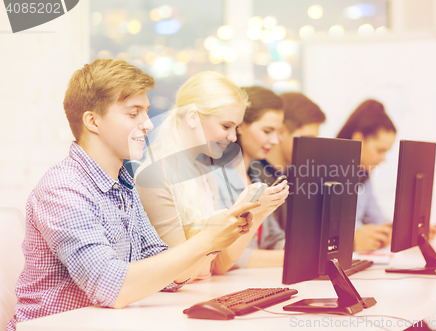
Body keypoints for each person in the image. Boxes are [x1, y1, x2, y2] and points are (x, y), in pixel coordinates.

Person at [7, 59, 258, 330]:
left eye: (146, 112)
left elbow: (172, 274)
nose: (148, 124)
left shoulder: (123, 186)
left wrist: (217, 236)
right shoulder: (63, 189)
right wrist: (207, 239)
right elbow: (111, 288)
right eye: (133, 113)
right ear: (93, 121)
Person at [135, 72, 288, 276]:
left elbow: (217, 266)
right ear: (192, 117)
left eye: (235, 128)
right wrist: (234, 215)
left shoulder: (204, 174)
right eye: (226, 126)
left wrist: (255, 213)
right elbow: (180, 273)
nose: (233, 137)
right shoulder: (154, 176)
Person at [209, 86, 289, 268]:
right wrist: (295, 260)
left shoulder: (258, 179)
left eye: (277, 132)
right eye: (267, 131)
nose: (275, 141)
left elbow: (274, 239)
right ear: (241, 126)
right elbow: (227, 256)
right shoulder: (215, 179)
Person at [251, 92, 326, 231]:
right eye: (308, 139)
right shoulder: (253, 176)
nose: (313, 146)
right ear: (281, 132)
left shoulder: (300, 175)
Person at [337, 99, 396, 251]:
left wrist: (401, 231)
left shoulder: (363, 176)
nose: (383, 159)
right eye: (380, 150)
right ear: (358, 139)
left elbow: (377, 218)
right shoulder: (323, 175)